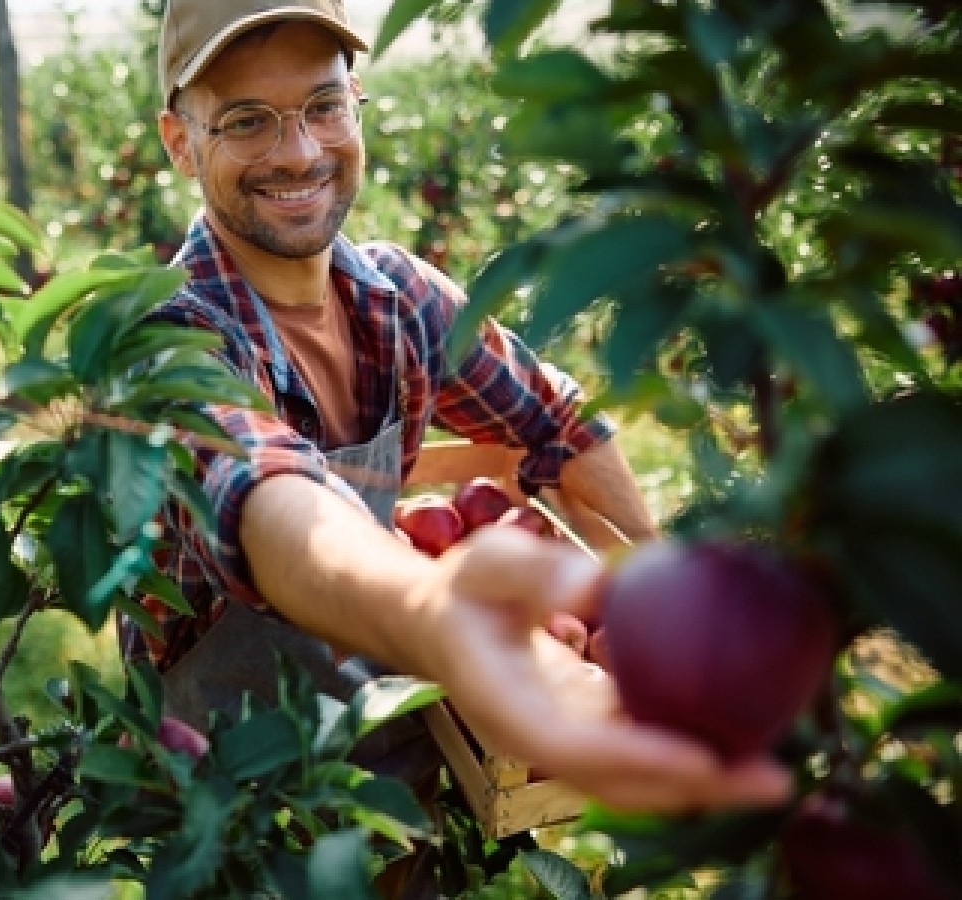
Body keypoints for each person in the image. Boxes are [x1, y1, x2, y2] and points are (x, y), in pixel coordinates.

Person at [123, 0, 794, 890]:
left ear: (357, 104)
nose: (299, 152)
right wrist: (443, 620)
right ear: (179, 142)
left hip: (402, 752)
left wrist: (660, 604)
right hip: (236, 803)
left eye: (323, 106)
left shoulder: (397, 299)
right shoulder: (176, 341)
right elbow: (271, 501)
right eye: (248, 120)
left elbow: (558, 425)